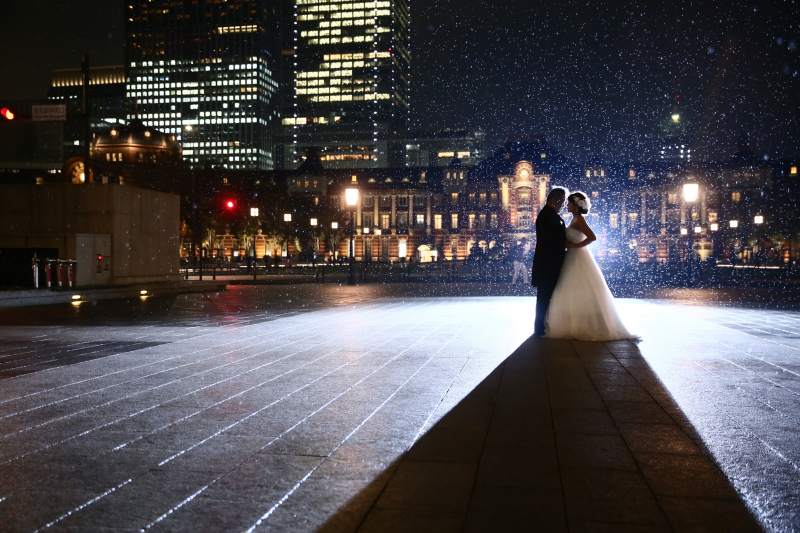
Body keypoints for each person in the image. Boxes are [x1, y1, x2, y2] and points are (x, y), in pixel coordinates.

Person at [545, 192, 637, 341]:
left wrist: (576, 245)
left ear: (575, 206)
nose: (566, 205)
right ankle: (574, 323)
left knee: (576, 287)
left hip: (577, 256)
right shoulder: (574, 219)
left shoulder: (579, 220)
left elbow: (592, 237)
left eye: (569, 203)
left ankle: (581, 324)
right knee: (572, 288)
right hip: (573, 257)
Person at [532, 187, 568, 336]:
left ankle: (542, 325)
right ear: (555, 199)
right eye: (562, 200)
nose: (563, 203)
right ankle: (539, 327)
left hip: (549, 262)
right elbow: (551, 240)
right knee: (544, 296)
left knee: (546, 296)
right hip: (548, 263)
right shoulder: (547, 215)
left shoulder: (550, 214)